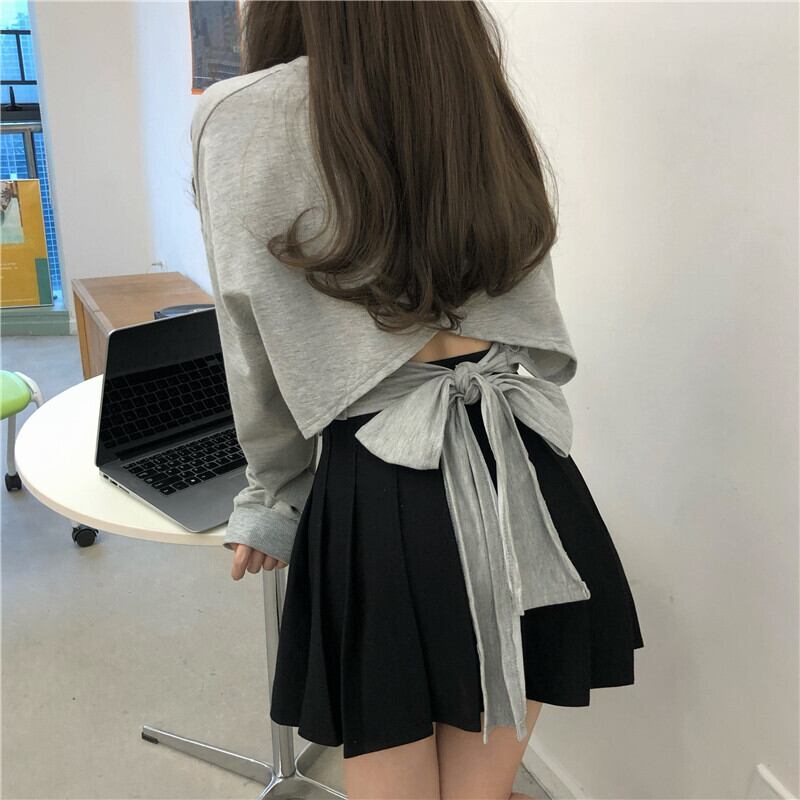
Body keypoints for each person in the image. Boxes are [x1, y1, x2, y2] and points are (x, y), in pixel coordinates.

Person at [191, 3, 644, 798]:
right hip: (522, 472)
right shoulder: (470, 91)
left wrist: (276, 492)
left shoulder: (237, 115)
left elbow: (249, 340)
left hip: (381, 489)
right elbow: (526, 289)